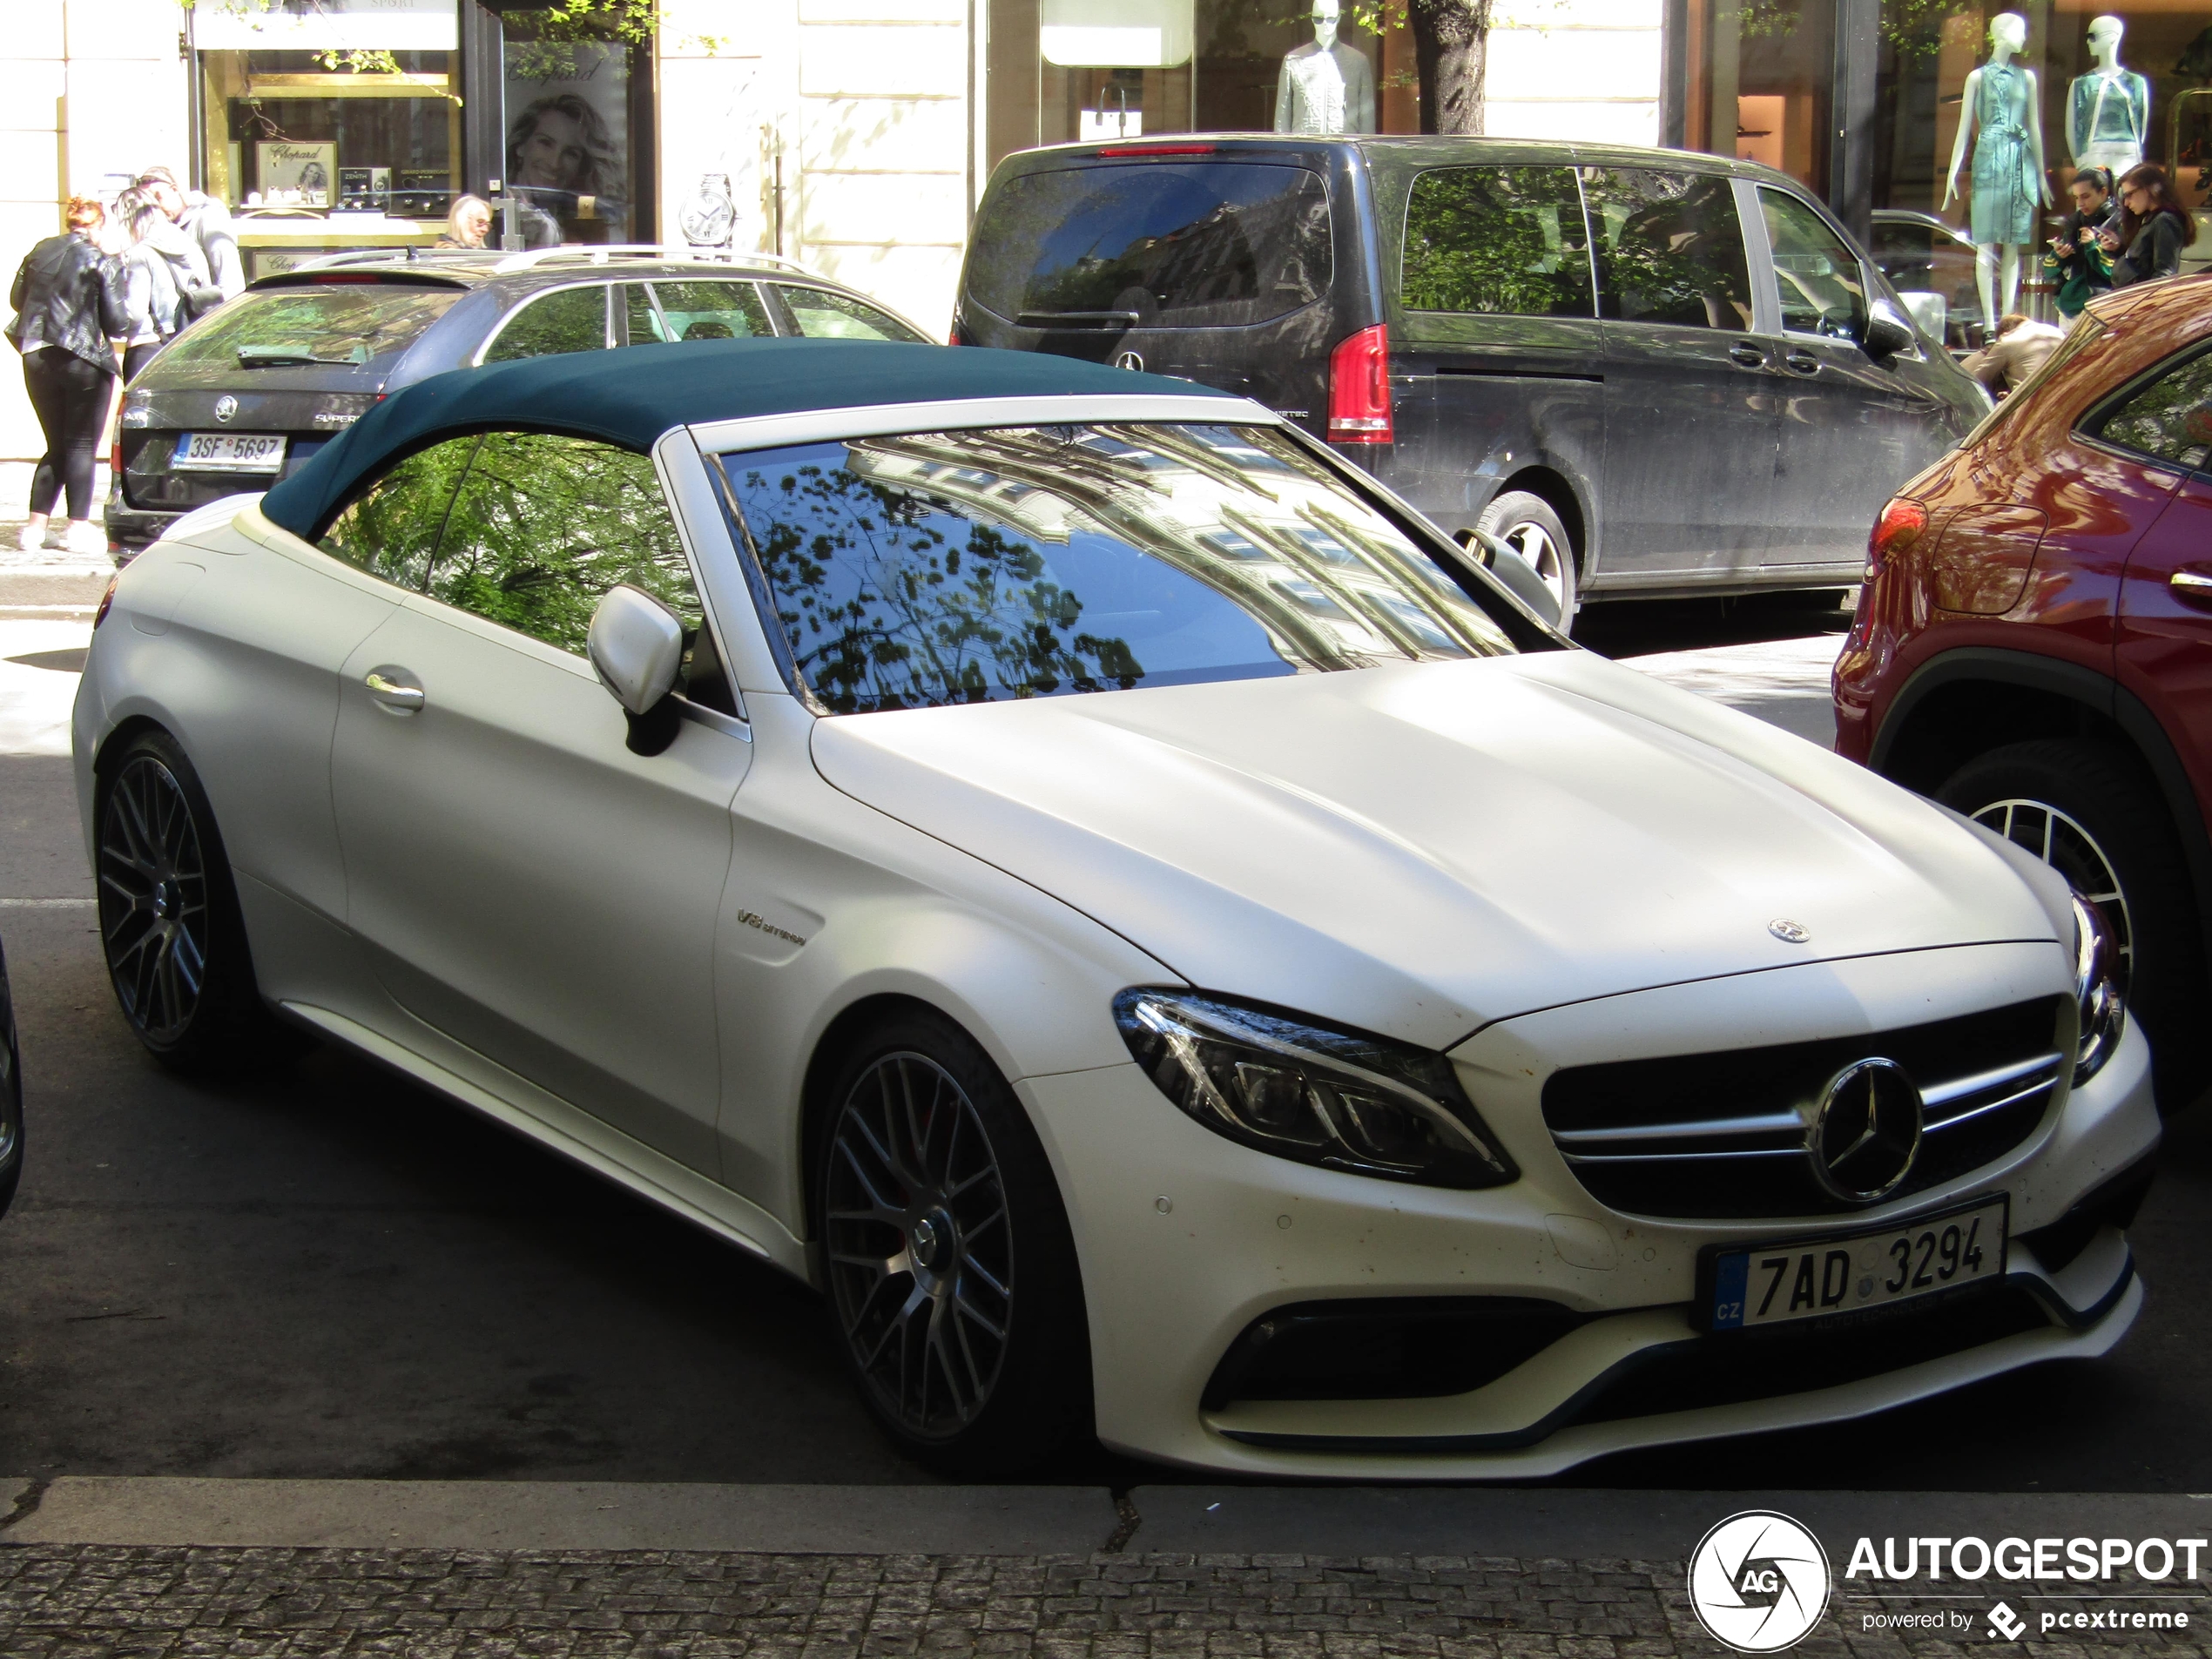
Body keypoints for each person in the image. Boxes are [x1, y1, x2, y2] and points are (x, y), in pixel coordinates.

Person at [7, 196, 128, 554]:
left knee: (55, 444)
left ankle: (34, 529)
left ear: (70, 222)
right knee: (80, 445)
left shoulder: (40, 252)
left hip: (36, 354)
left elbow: (17, 300)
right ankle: (76, 528)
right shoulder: (102, 261)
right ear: (98, 225)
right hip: (83, 358)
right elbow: (118, 322)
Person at [116, 190, 209, 381]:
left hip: (152, 343)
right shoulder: (186, 242)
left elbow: (135, 313)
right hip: (191, 335)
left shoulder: (141, 253)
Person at [132, 165, 243, 303]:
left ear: (174, 189)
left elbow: (231, 279)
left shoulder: (209, 217)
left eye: (158, 198)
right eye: (147, 204)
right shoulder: (157, 226)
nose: (155, 208)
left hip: (208, 315)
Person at [2102, 163, 2195, 287]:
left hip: (2141, 300)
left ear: (2149, 189)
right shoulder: (2151, 219)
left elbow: (2164, 273)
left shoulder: (2164, 220)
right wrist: (2117, 248)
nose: (2126, 203)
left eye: (2129, 195)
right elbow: (2141, 262)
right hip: (2133, 297)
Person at [2045, 166, 2118, 320]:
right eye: (2077, 197)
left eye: (2085, 196)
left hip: (2102, 306)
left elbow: (2115, 272)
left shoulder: (2118, 221)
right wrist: (2059, 256)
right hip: (2069, 307)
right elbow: (2049, 271)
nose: (2081, 203)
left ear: (2103, 192)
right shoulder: (2075, 221)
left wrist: (2092, 247)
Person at [1960, 312, 2066, 395]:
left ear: (2005, 332)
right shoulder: (2056, 331)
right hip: (2065, 392)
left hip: (2032, 400)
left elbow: (1976, 382)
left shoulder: (2006, 341)